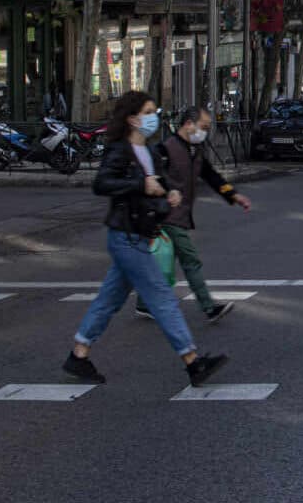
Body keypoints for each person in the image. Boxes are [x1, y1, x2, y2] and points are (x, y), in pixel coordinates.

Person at [62, 91, 228, 386]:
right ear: (133, 118)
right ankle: (192, 362)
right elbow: (103, 184)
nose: (155, 117)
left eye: (154, 110)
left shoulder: (150, 152)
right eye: (149, 111)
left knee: (109, 300)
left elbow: (156, 190)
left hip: (138, 235)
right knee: (162, 297)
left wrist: (168, 196)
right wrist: (143, 185)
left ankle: (79, 354)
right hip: (125, 236)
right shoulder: (120, 150)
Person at [133, 107, 251, 323]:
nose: (205, 131)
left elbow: (213, 178)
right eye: (204, 126)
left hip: (180, 215)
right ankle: (208, 307)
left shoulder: (195, 151)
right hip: (167, 215)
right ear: (189, 124)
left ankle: (143, 304)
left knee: (162, 263)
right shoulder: (166, 149)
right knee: (191, 261)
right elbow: (152, 177)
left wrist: (234, 196)